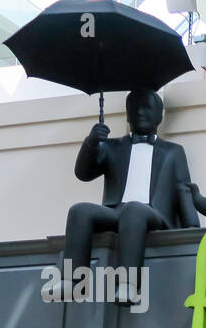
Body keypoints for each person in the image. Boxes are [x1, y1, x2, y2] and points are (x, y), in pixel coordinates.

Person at [63, 88, 199, 302]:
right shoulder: (112, 146)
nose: (140, 113)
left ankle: (128, 284)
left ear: (159, 115)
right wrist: (91, 142)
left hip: (152, 215)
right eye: (134, 108)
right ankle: (73, 281)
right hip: (116, 212)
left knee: (134, 210)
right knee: (79, 211)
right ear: (127, 115)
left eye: (147, 108)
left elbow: (183, 188)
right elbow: (83, 173)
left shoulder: (173, 151)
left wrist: (192, 227)